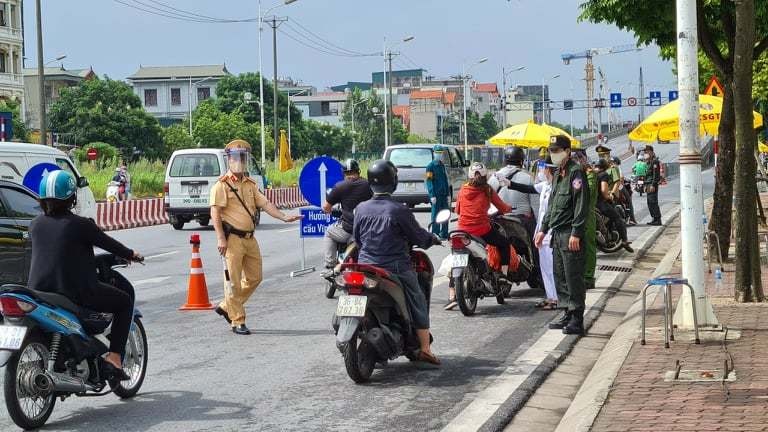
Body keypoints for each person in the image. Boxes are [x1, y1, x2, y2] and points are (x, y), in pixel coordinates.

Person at [28, 170, 142, 381]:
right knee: (124, 302)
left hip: (39, 291)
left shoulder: (35, 225)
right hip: (75, 293)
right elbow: (109, 244)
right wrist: (131, 254)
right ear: (72, 198)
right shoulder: (81, 225)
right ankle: (115, 357)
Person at [353, 160, 442, 365]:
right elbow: (419, 237)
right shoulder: (399, 210)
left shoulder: (361, 208)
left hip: (365, 266)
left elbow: (357, 239)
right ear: (393, 182)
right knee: (417, 298)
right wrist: (432, 239)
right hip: (395, 268)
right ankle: (425, 349)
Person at [210, 139, 302, 335]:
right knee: (233, 281)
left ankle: (227, 306)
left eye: (242, 157)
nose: (239, 161)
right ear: (229, 160)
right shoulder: (222, 186)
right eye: (235, 157)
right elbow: (215, 213)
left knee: (255, 277)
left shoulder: (250, 184)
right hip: (232, 239)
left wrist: (284, 216)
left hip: (250, 239)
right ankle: (237, 319)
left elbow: (266, 204)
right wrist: (220, 238)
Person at [535, 135, 589, 335]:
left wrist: (576, 232)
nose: (554, 154)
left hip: (569, 233)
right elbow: (553, 206)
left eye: (557, 150)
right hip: (557, 233)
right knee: (560, 275)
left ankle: (577, 317)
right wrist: (543, 229)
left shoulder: (576, 174)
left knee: (572, 275)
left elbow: (581, 206)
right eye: (552, 150)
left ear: (567, 151)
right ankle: (566, 310)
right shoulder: (559, 174)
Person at [446, 162, 513, 310]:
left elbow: (457, 210)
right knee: (504, 243)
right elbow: (502, 207)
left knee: (454, 259)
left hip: (462, 231)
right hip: (482, 230)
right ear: (485, 175)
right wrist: (509, 208)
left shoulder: (463, 189)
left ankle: (452, 295)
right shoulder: (487, 189)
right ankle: (503, 274)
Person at [499, 157, 558, 309]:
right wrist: (510, 184)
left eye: (541, 168)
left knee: (552, 267)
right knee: (545, 267)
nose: (540, 171)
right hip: (542, 231)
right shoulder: (545, 185)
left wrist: (543, 231)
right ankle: (550, 296)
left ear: (549, 169)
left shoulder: (557, 187)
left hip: (550, 232)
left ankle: (556, 298)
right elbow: (529, 189)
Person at [320, 159, 372, 277]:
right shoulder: (368, 185)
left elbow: (326, 207)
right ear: (358, 171)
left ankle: (330, 265)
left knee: (329, 232)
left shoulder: (340, 187)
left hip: (347, 230)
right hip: (367, 231)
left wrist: (330, 211)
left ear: (344, 173)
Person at [489, 146, 538, 239]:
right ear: (521, 161)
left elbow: (487, 201)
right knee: (535, 247)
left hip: (500, 221)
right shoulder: (528, 177)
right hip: (523, 222)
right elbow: (536, 205)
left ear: (505, 160)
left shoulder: (494, 177)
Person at [572, 149, 598, 291]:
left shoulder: (590, 174)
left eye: (578, 158)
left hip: (587, 215)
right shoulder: (576, 174)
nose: (576, 161)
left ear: (584, 159)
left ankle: (588, 277)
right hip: (576, 215)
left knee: (588, 246)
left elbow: (584, 192)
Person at [595, 159, 634, 253]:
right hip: (601, 203)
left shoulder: (591, 174)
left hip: (590, 203)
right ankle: (624, 241)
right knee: (618, 218)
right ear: (606, 167)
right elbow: (604, 191)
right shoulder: (604, 174)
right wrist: (609, 196)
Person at [426, 146, 451, 240]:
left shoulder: (442, 165)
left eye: (441, 153)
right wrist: (432, 195)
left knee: (445, 213)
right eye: (437, 152)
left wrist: (448, 194)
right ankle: (435, 233)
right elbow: (429, 181)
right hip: (436, 195)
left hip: (444, 194)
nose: (439, 154)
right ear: (434, 153)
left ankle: (444, 233)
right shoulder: (430, 166)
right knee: (435, 214)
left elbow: (445, 180)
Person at [644, 145, 663, 225]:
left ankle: (657, 219)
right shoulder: (648, 162)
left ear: (651, 152)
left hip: (652, 184)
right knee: (649, 202)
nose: (645, 153)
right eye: (645, 152)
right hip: (648, 184)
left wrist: (653, 185)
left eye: (647, 152)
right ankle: (654, 218)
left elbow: (656, 175)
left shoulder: (655, 161)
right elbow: (646, 175)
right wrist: (645, 185)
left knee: (653, 202)